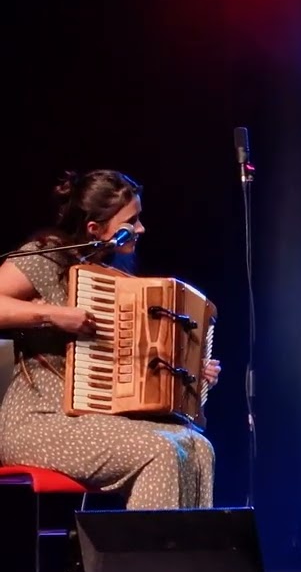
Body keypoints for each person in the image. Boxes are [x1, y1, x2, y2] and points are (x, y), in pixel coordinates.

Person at [0, 169, 220, 509]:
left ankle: (183, 560)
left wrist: (190, 368)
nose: (141, 229)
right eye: (131, 221)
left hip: (95, 420)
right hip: (37, 420)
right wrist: (52, 314)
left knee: (198, 449)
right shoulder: (46, 256)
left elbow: (137, 362)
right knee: (158, 451)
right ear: (95, 229)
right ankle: (146, 562)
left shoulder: (116, 282)